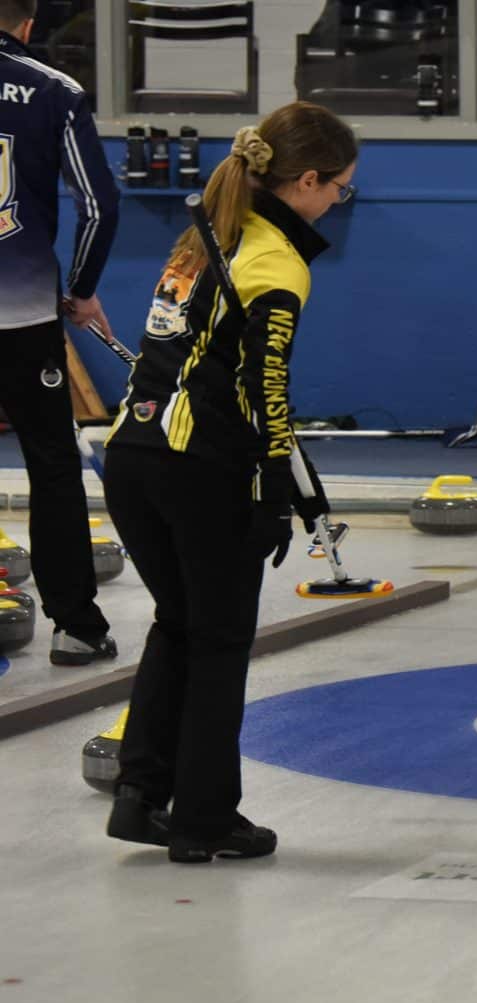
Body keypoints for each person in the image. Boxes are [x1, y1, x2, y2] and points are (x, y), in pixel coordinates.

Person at [101, 101, 356, 862]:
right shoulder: (278, 262)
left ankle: (141, 795)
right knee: (218, 642)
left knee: (177, 625)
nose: (340, 201)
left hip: (130, 457)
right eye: (339, 187)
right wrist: (274, 494)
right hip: (197, 470)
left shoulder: (199, 238)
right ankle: (205, 819)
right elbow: (265, 387)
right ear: (305, 181)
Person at [0, 0, 120, 666]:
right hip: (23, 316)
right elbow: (99, 205)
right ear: (31, 18)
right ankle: (76, 626)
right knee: (51, 468)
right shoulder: (55, 89)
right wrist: (80, 288)